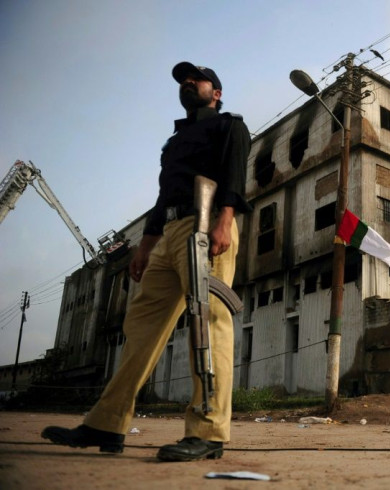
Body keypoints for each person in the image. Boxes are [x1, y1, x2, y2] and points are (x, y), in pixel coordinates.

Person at [42, 62, 251, 462]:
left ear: (217, 92)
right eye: (183, 81)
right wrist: (144, 247)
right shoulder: (174, 142)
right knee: (139, 330)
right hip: (170, 235)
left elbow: (235, 177)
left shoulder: (229, 126)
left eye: (197, 79)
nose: (189, 83)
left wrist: (225, 221)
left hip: (207, 226)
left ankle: (208, 432)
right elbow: (162, 198)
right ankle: (107, 423)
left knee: (208, 324)